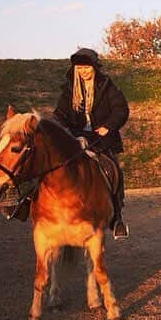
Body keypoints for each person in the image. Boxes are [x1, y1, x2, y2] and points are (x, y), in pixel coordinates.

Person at [54, 47, 130, 240]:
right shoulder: (69, 88)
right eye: (80, 67)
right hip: (75, 137)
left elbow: (121, 109)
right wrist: (66, 131)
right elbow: (60, 114)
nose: (84, 71)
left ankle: (117, 218)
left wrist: (108, 126)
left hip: (101, 138)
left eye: (87, 67)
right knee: (53, 165)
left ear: (95, 67)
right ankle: (26, 203)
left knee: (113, 170)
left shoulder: (106, 85)